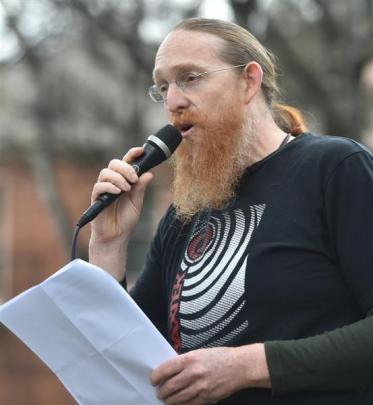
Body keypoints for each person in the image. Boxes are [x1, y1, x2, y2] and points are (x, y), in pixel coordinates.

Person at [89, 18, 373, 405]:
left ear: (249, 82)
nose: (173, 101)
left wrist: (247, 366)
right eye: (162, 87)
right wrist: (108, 245)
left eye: (189, 77)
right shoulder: (183, 216)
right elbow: (125, 364)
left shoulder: (333, 167)